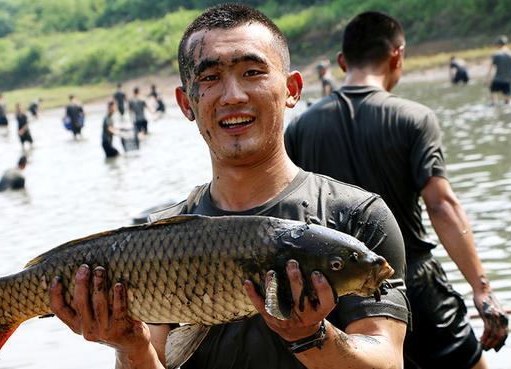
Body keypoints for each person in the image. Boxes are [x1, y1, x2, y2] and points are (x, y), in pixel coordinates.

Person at [49, 4, 409, 369]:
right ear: (186, 103)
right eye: (210, 79)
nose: (233, 95)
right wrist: (130, 346)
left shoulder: (357, 218)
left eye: (252, 72)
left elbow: (388, 362)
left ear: (291, 89)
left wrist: (309, 335)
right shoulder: (157, 237)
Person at [285, 11, 509, 369]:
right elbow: (442, 207)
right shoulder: (414, 118)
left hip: (334, 293)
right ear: (398, 55)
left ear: (342, 62)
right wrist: (482, 290)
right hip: (413, 283)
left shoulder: (300, 128)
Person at [486, 35, 511, 105]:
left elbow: (490, 68)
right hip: (507, 80)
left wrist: (487, 79)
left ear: (498, 44)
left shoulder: (496, 54)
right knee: (507, 103)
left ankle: (495, 105)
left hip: (497, 79)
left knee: (493, 93)